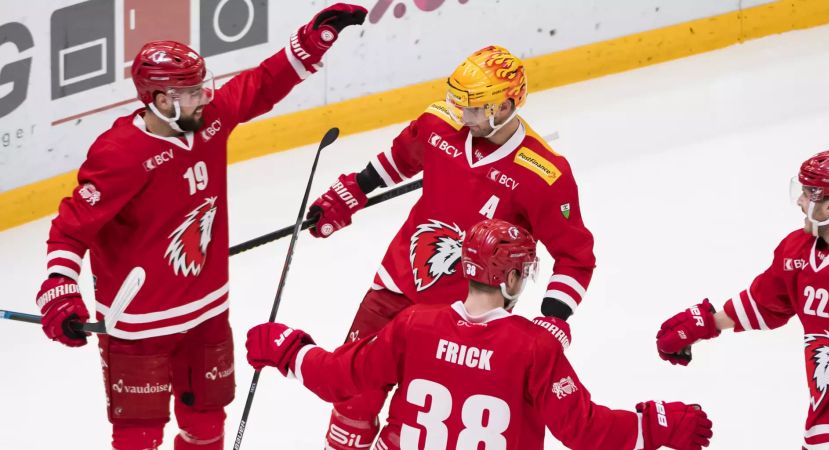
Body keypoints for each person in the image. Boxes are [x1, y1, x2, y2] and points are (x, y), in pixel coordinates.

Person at [31, 4, 367, 449]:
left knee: (206, 423)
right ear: (160, 101)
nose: (203, 97)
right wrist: (60, 287)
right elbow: (72, 229)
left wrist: (313, 40)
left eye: (200, 88)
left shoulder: (208, 124)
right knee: (139, 436)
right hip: (138, 326)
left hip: (207, 312)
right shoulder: (119, 153)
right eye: (190, 93)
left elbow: (260, 84)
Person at [306, 44, 596, 448]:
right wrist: (350, 193)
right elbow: (398, 160)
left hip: (459, 319)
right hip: (396, 282)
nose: (465, 116)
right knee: (353, 396)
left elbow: (574, 258)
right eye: (460, 104)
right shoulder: (438, 124)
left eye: (476, 108)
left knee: (415, 420)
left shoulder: (543, 174)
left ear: (509, 104)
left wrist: (555, 318)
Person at [247, 218, 713, 449]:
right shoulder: (534, 347)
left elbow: (338, 378)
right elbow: (583, 429)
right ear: (511, 279)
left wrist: (287, 348)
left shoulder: (414, 325)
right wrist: (655, 424)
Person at [654, 149, 829, 450]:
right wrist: (704, 325)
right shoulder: (795, 251)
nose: (799, 200)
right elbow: (765, 302)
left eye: (808, 194)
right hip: (825, 423)